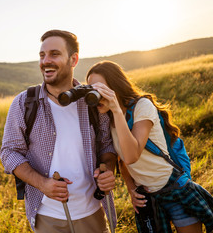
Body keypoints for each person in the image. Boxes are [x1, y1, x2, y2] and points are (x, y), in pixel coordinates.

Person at [0, 30, 118, 233]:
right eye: (42, 55)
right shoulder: (23, 103)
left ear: (73, 59)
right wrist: (43, 184)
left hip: (93, 214)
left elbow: (107, 144)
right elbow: (9, 152)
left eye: (54, 54)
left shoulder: (92, 100)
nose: (46, 61)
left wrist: (107, 168)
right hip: (48, 218)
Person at [86, 60, 213, 233]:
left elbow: (132, 155)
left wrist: (116, 110)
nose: (96, 95)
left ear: (114, 87)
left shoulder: (142, 107)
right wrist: (131, 189)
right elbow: (123, 161)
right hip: (148, 197)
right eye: (91, 89)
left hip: (173, 187)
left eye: (100, 88)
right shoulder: (108, 119)